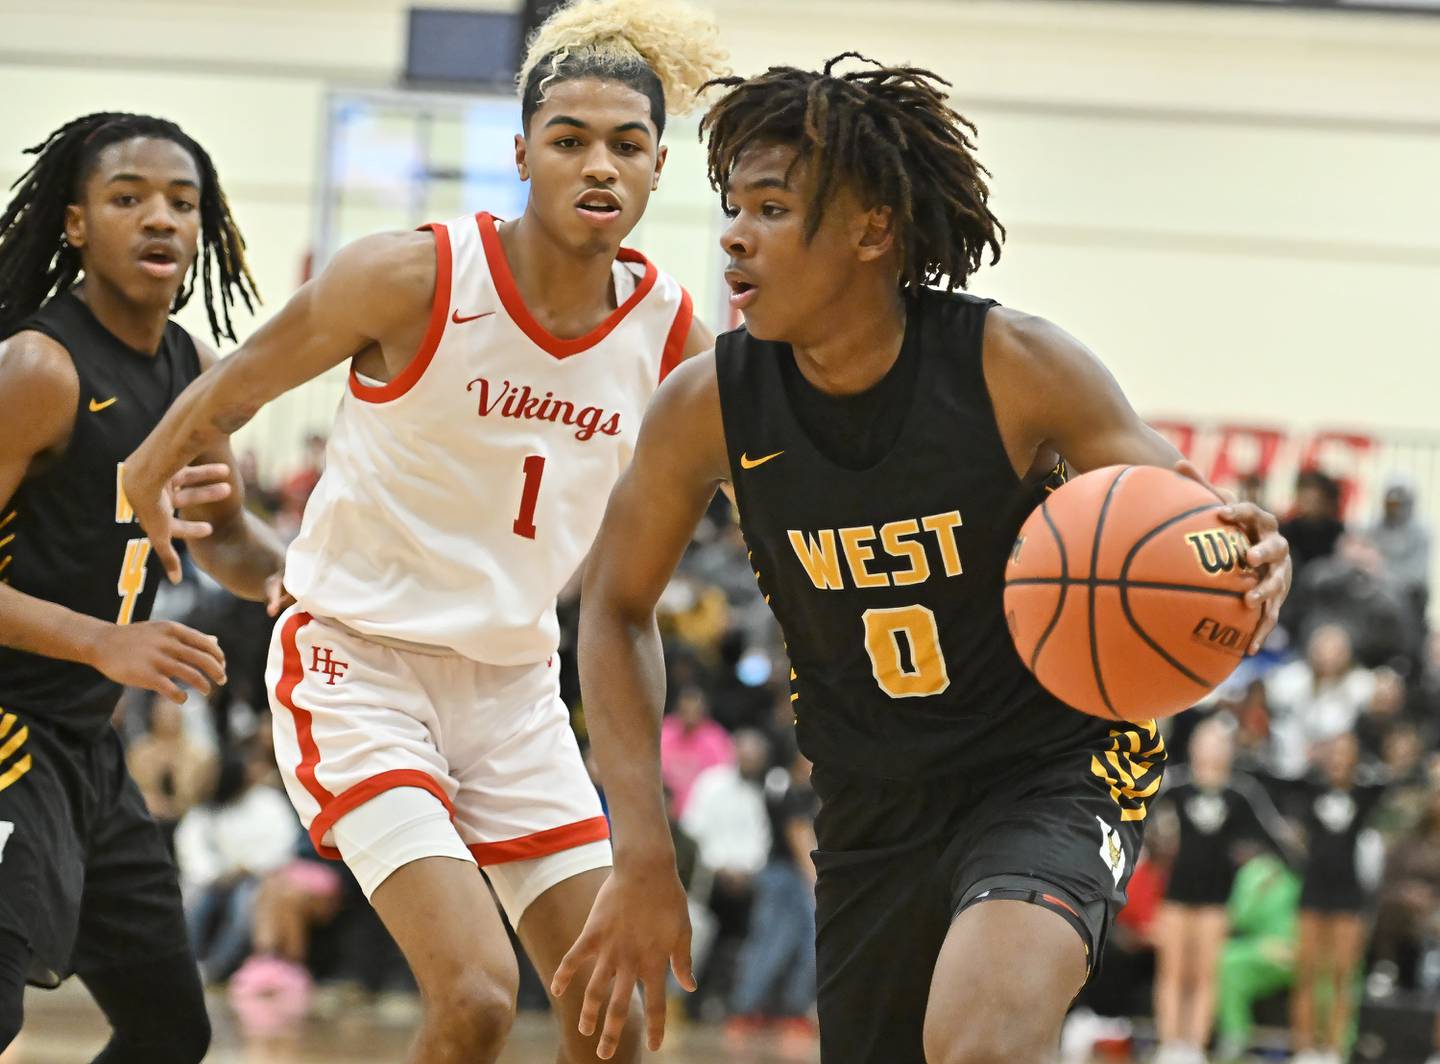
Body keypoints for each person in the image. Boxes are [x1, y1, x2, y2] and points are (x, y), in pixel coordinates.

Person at [553, 55, 1293, 1063]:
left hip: (1048, 769)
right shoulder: (707, 407)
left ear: (873, 228)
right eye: (734, 206)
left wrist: (1257, 558)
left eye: (771, 208)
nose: (733, 233)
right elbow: (613, 606)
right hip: (869, 803)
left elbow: (1202, 536)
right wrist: (640, 845)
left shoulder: (1016, 369)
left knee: (981, 1040)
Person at [121, 2, 725, 1060]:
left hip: (517, 689)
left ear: (659, 167)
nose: (599, 165)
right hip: (361, 669)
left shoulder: (673, 332)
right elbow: (228, 393)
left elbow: (780, 490)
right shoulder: (415, 273)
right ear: (520, 153)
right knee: (480, 996)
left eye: (627, 145)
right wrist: (149, 477)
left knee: (615, 1023)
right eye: (570, 140)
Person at [0, 112, 284, 1060]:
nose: (160, 219)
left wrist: (286, 566)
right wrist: (102, 641)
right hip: (7, 723)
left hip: (84, 744)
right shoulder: (40, 367)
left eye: (182, 202)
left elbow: (232, 551)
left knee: (169, 1029)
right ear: (76, 223)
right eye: (128, 199)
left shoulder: (192, 370)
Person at [1151, 717, 1299, 1064]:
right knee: (1172, 970)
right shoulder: (1176, 784)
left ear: (1230, 749)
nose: (1212, 748)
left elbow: (1273, 834)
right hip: (1177, 890)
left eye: (1219, 742)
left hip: (1217, 895)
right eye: (1206, 741)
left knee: (1205, 973)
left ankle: (1194, 1046)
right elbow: (1140, 818)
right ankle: (1168, 1044)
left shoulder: (1240, 791)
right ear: (1193, 745)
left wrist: (1284, 869)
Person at [1284, 733, 1388, 1064]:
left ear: (1356, 759)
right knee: (1307, 973)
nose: (1340, 760)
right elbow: (1280, 781)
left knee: (1343, 976)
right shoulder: (1311, 791)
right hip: (1313, 890)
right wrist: (1309, 758)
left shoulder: (1364, 795)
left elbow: (1396, 782)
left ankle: (1333, 1049)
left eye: (1348, 754)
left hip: (1349, 894)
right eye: (1336, 753)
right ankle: (1303, 1048)